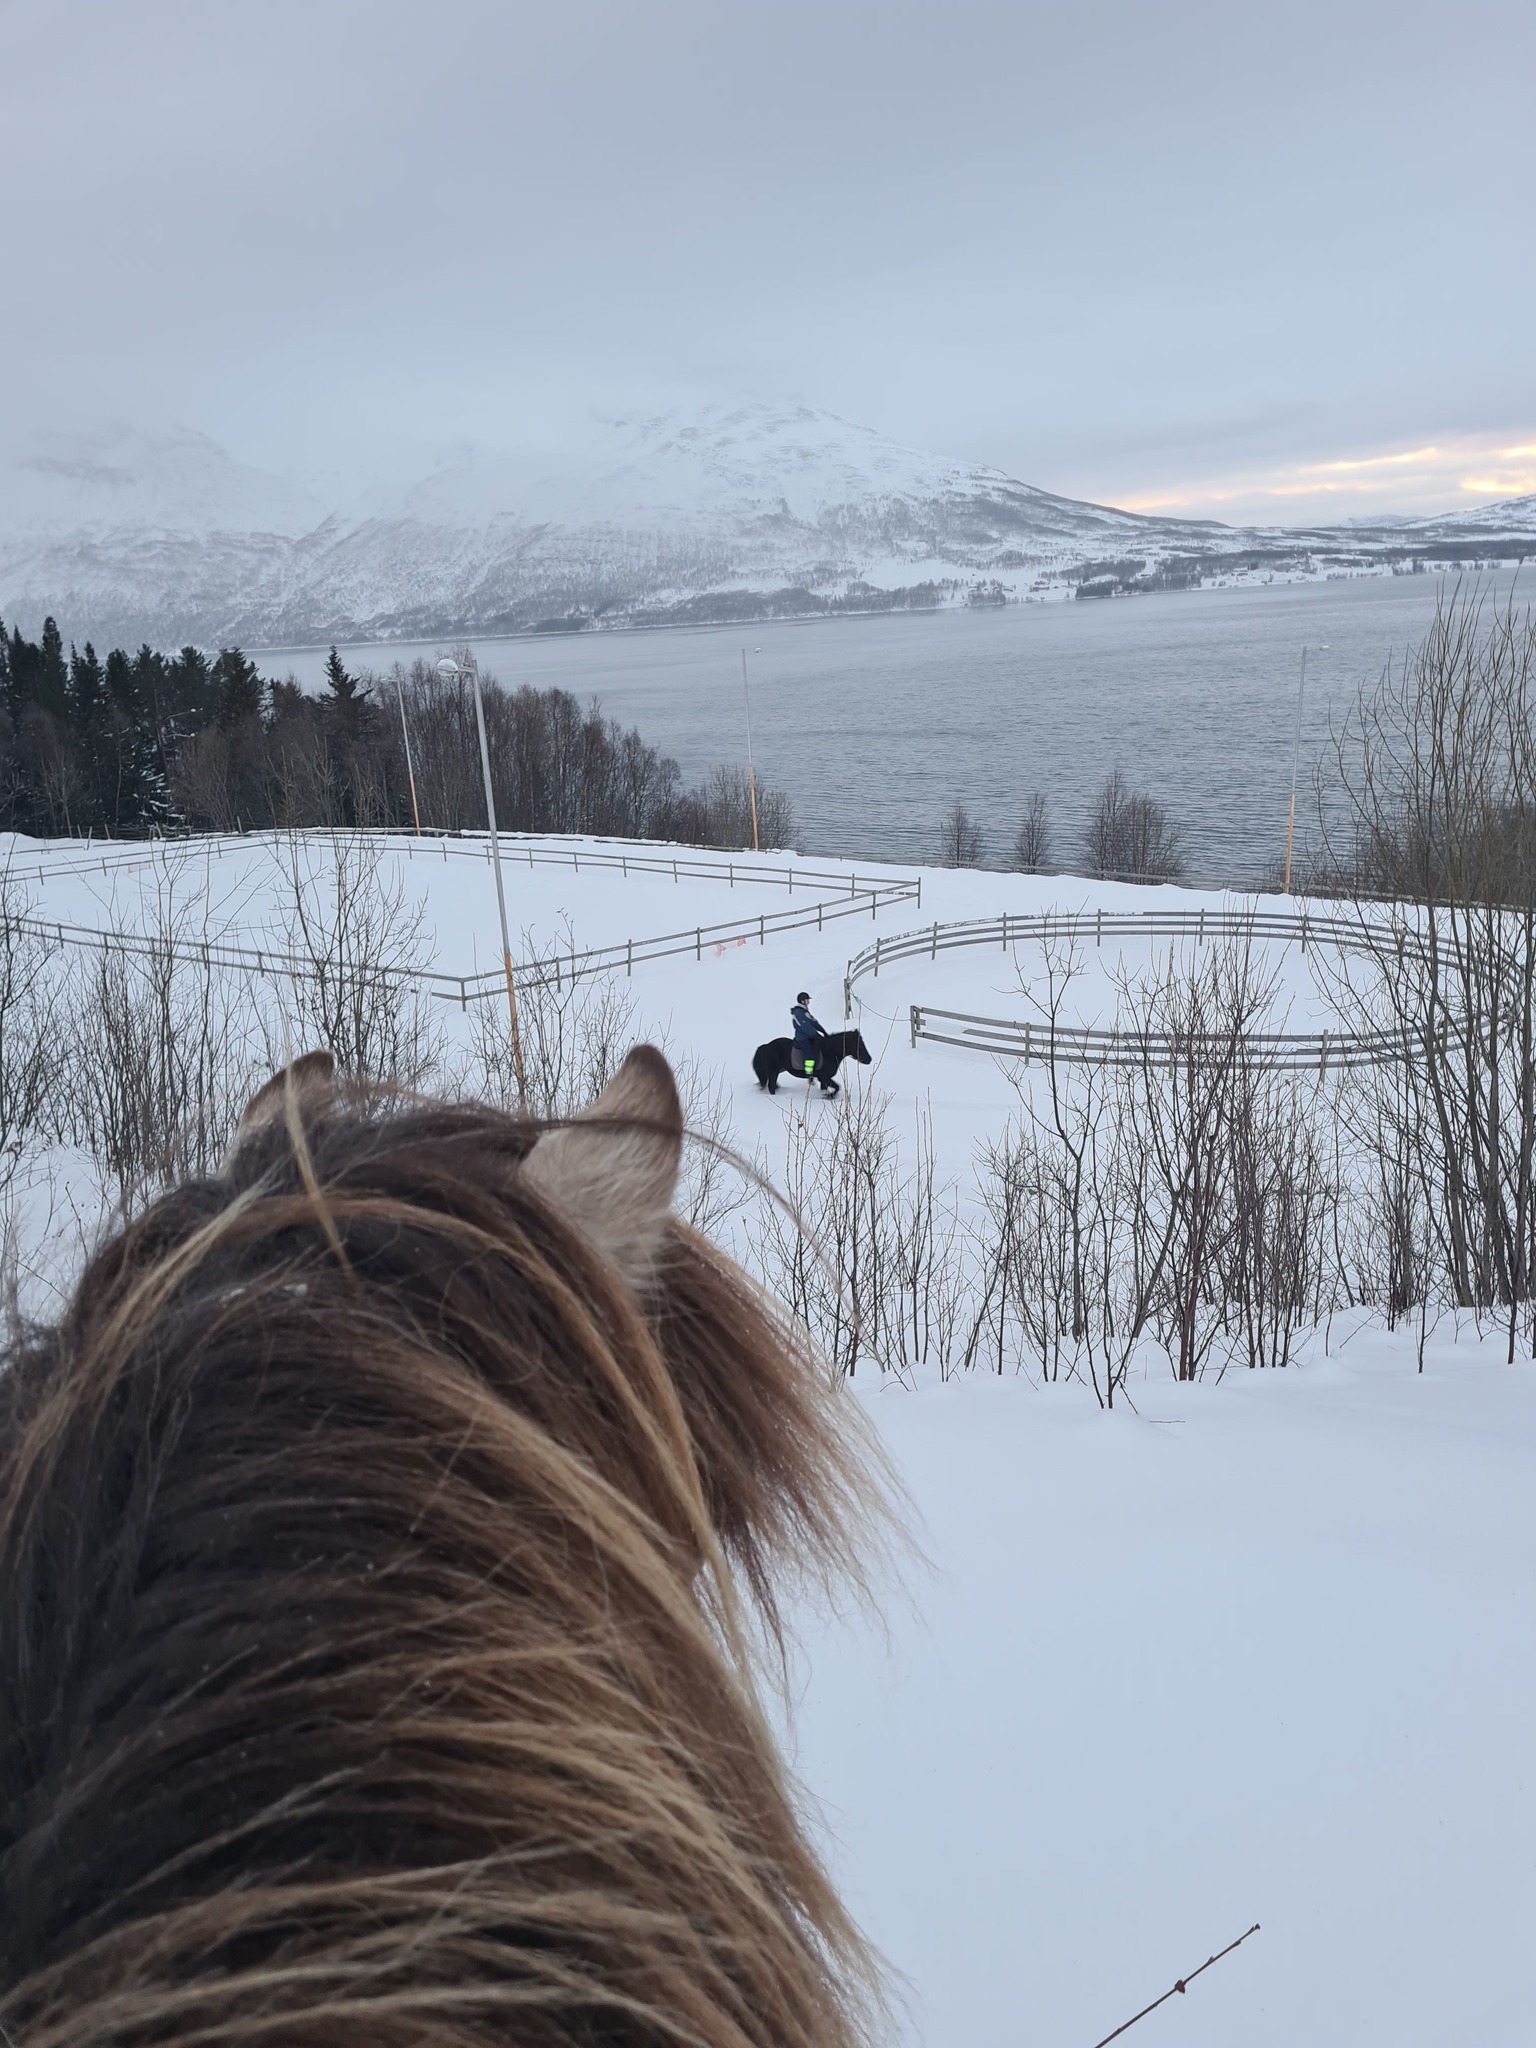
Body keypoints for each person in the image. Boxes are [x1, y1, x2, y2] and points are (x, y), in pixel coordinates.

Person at [791, 991, 825, 1078]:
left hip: (810, 1036)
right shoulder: (798, 1012)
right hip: (803, 1038)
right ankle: (809, 1073)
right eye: (807, 1000)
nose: (809, 1002)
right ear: (803, 1001)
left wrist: (823, 1032)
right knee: (809, 1053)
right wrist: (815, 1034)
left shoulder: (805, 1011)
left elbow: (814, 1023)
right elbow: (804, 1026)